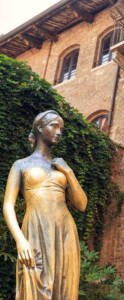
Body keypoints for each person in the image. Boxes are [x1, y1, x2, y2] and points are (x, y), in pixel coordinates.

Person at [3, 110, 87, 299]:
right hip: (35, 228)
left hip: (64, 231)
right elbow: (8, 205)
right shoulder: (21, 165)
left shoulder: (61, 166)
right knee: (34, 284)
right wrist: (20, 240)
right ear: (40, 128)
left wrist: (69, 172)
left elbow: (81, 205)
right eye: (54, 126)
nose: (59, 132)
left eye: (61, 128)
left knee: (64, 288)